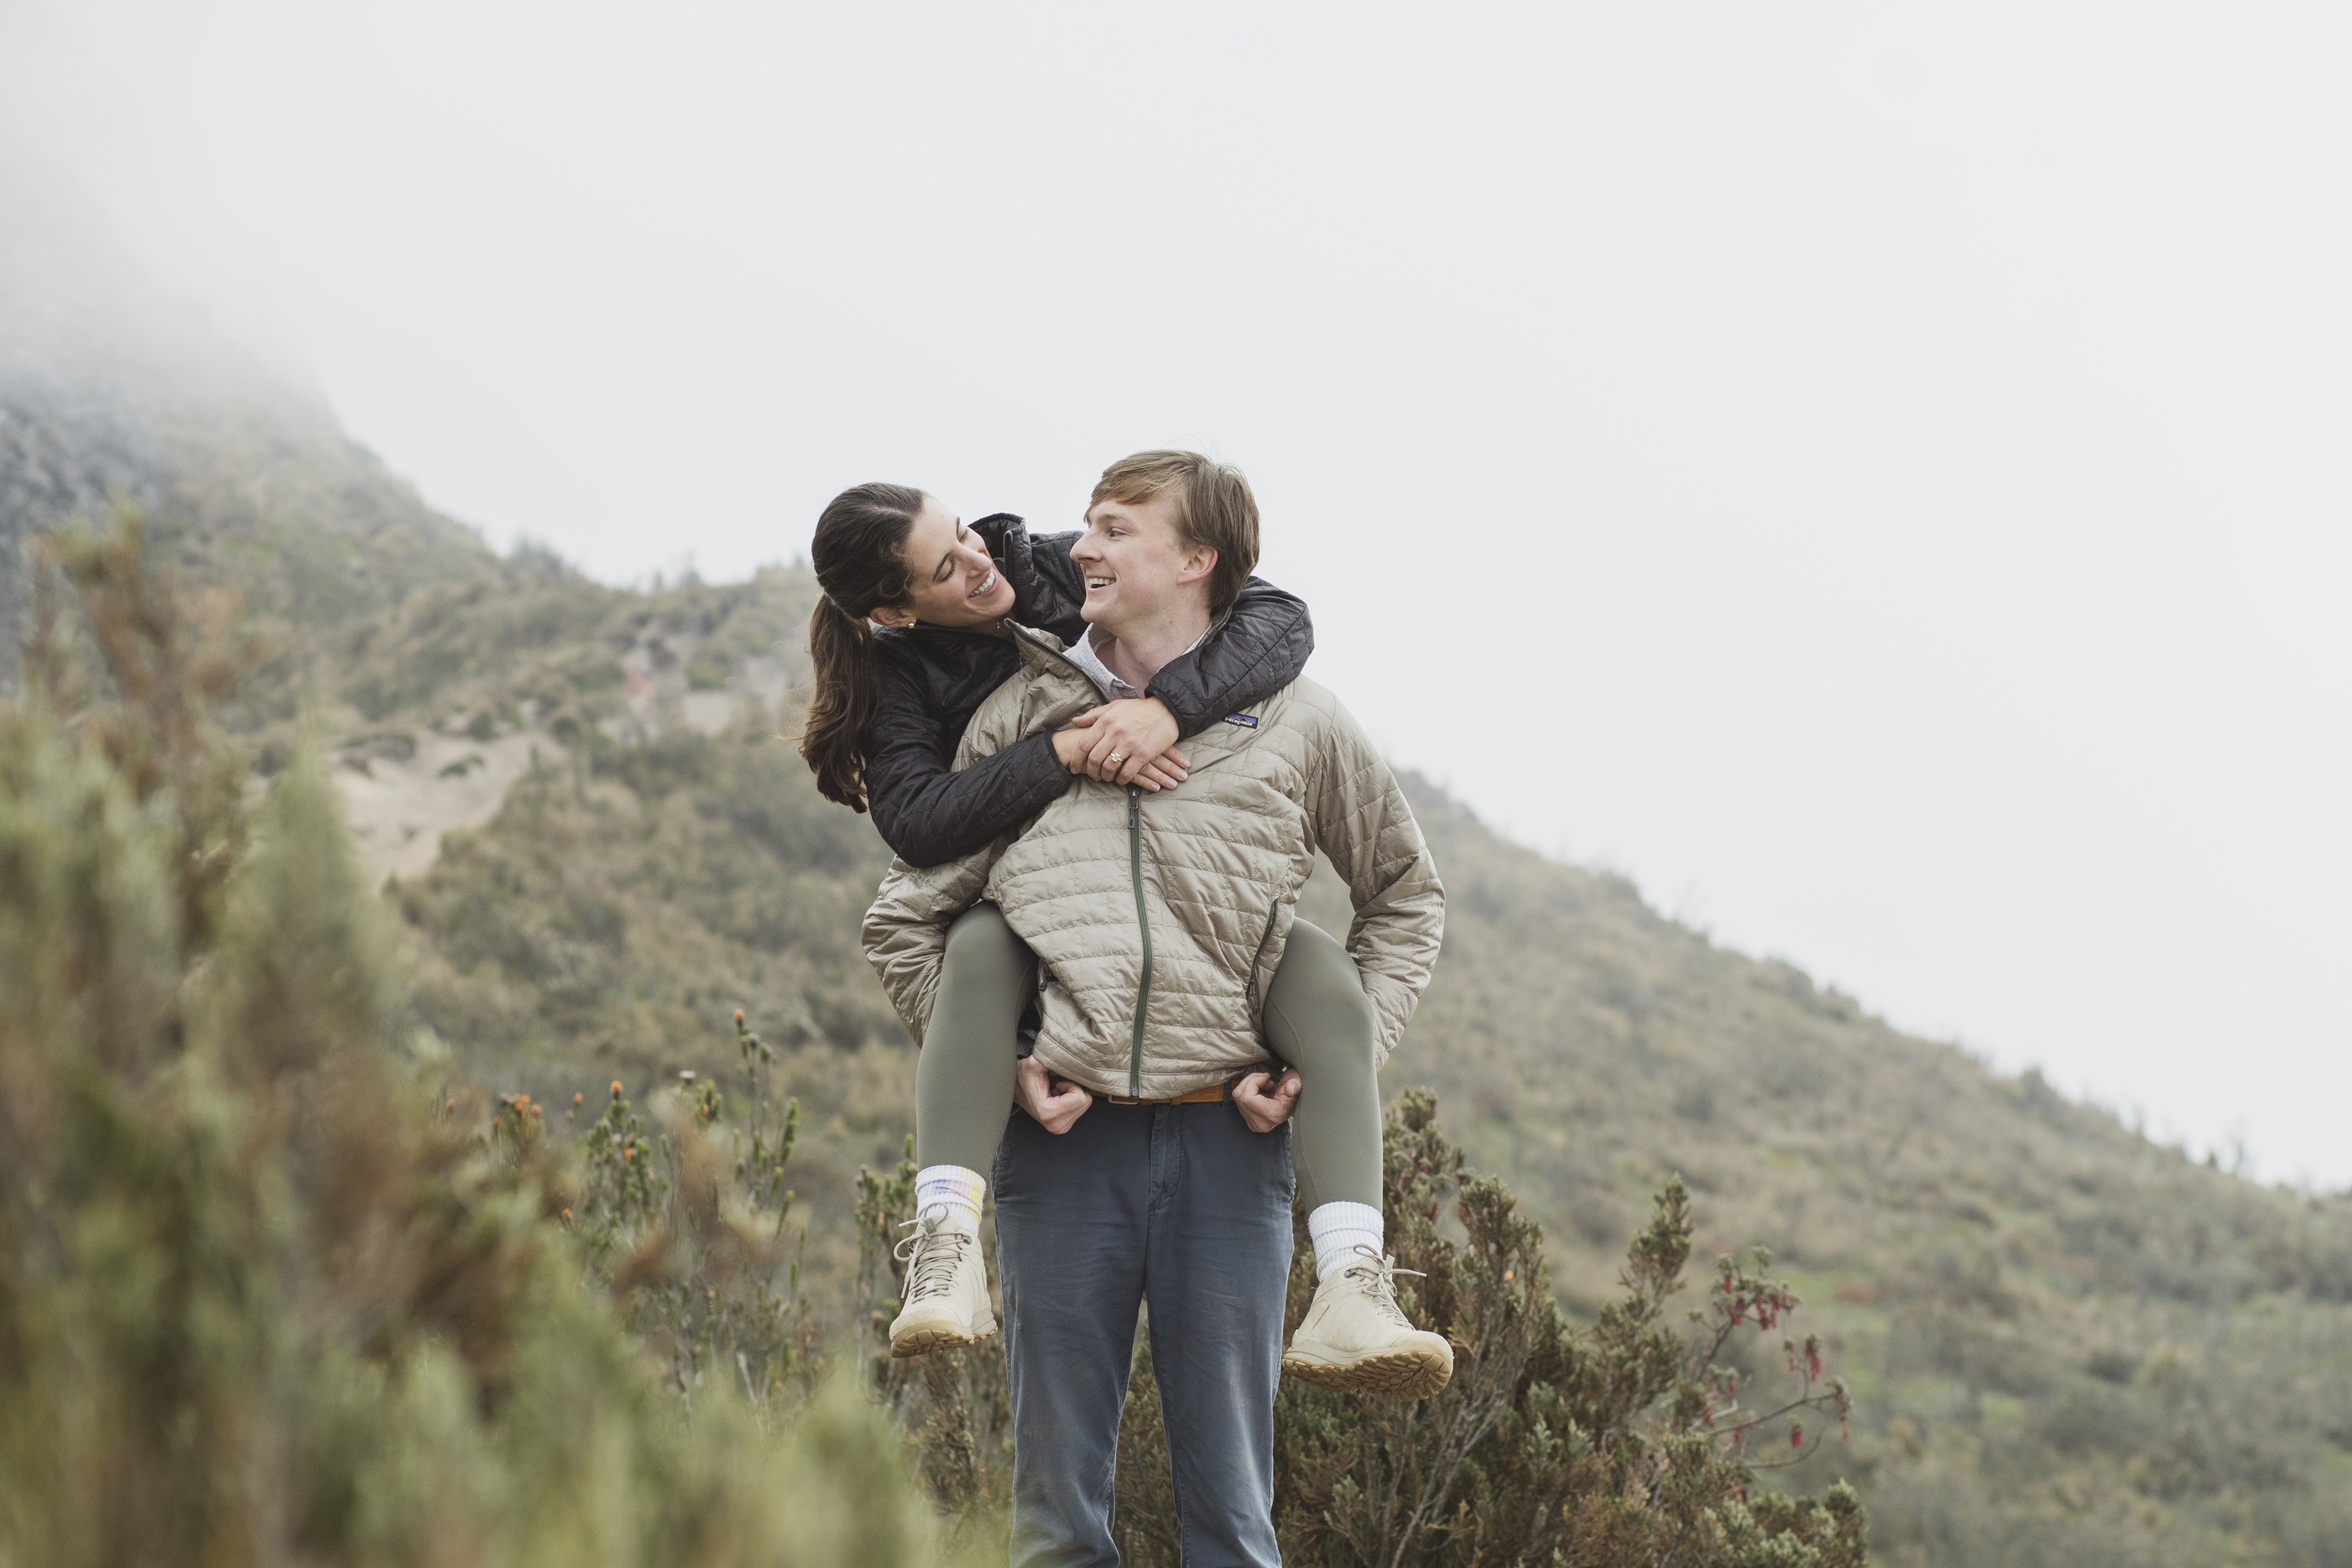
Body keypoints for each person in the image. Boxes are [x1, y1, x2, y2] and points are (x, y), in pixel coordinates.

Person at [863, 451, 1446, 1565]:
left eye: (1114, 528)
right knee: (1054, 1528)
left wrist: (1336, 1064)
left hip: (1230, 1145)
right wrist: (1003, 1064)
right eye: (1088, 523)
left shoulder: (1301, 720)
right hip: (1064, 1151)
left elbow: (1405, 896)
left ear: (1195, 559)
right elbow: (903, 920)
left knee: (1232, 1525)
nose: (1077, 547)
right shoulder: (1020, 721)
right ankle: (941, 1242)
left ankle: (1357, 1280)